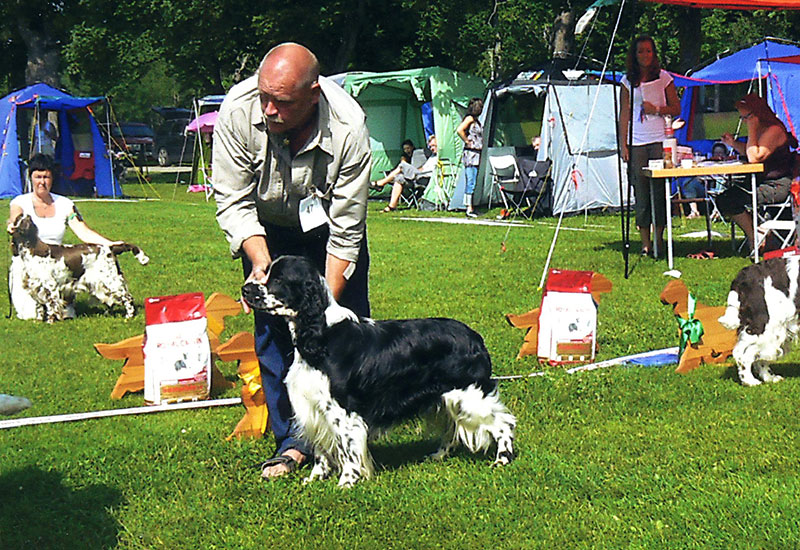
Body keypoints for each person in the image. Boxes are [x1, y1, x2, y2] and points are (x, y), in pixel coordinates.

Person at [212, 43, 372, 479]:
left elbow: (346, 230)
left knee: (343, 333)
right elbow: (233, 200)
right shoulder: (236, 111)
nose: (269, 109)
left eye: (282, 102)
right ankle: (293, 442)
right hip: (267, 227)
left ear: (314, 94)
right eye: (264, 96)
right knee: (273, 336)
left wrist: (321, 310)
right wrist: (262, 269)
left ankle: (349, 432)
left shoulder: (349, 126)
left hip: (328, 230)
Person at [7, 153, 121, 319]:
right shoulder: (19, 202)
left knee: (65, 315)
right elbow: (14, 218)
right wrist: (12, 224)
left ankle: (66, 299)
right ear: (30, 177)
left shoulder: (65, 204)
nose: (42, 182)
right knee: (31, 314)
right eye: (38, 177)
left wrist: (110, 244)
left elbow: (83, 231)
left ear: (52, 178)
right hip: (27, 268)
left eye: (46, 177)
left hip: (58, 266)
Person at [619, 35, 681, 258]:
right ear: (634, 56)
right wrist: (623, 143)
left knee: (659, 192)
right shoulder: (627, 82)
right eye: (640, 52)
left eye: (648, 51)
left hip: (659, 141)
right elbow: (624, 113)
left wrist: (656, 109)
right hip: (637, 143)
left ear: (653, 53)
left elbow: (676, 108)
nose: (644, 55)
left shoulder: (664, 78)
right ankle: (645, 242)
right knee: (641, 192)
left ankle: (659, 239)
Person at [716, 93, 798, 252]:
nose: (744, 121)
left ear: (757, 114)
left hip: (777, 186)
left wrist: (752, 129)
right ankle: (756, 233)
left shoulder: (774, 130)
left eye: (746, 117)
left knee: (731, 200)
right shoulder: (762, 129)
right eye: (742, 118)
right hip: (761, 181)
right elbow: (750, 151)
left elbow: (754, 157)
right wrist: (733, 143)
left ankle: (755, 237)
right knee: (725, 199)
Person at [373, 135, 438, 212]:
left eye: (433, 146)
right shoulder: (432, 156)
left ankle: (381, 183)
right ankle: (392, 206)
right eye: (430, 146)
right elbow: (423, 168)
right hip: (419, 176)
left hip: (427, 178)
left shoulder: (440, 157)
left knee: (402, 165)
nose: (431, 148)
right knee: (399, 178)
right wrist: (414, 171)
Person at [457, 97, 484, 218]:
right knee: (471, 180)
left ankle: (471, 205)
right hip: (471, 154)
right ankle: (469, 207)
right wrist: (467, 141)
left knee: (473, 179)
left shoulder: (476, 120)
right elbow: (460, 130)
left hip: (477, 154)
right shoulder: (469, 119)